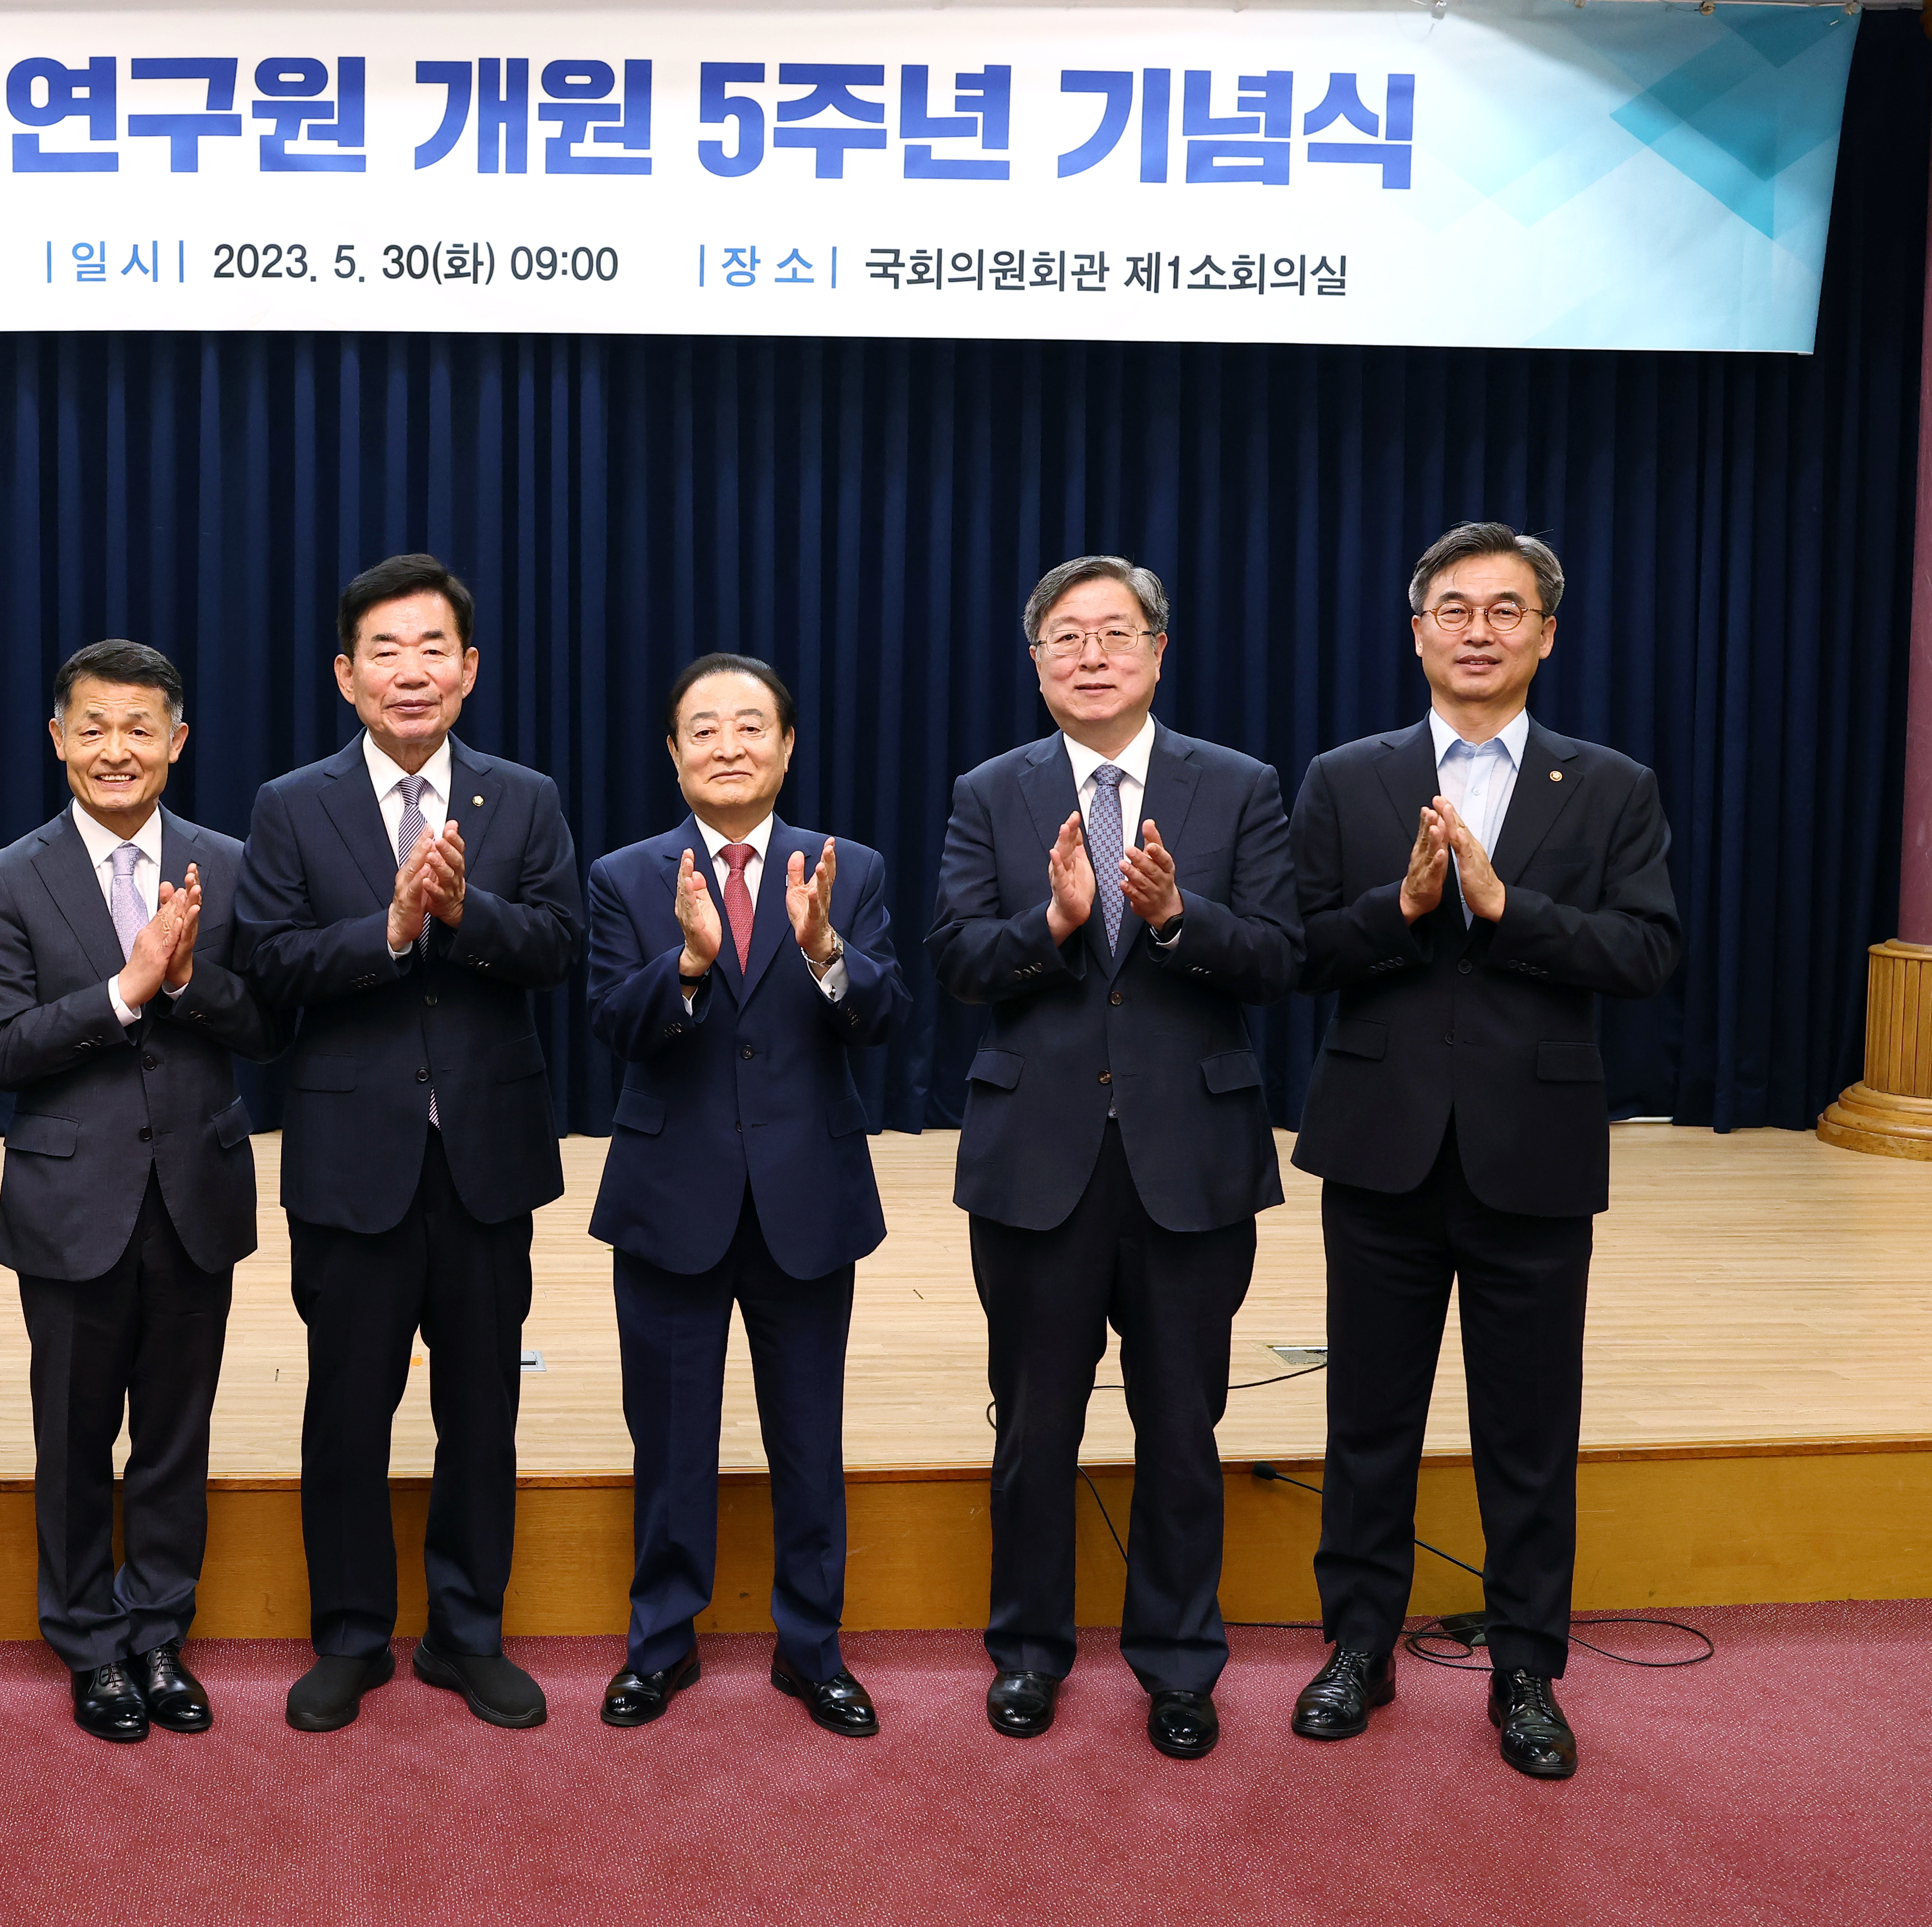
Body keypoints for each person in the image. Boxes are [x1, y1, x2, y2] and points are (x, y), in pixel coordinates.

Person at [1285, 523, 1680, 1781]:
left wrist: (1510, 911)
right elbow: (1296, 954)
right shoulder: (1346, 777)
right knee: (1368, 1423)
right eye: (1451, 607)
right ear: (1415, 632)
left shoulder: (1609, 784)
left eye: (1505, 609)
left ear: (1545, 635)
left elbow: (1647, 954)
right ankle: (1355, 1646)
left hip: (1533, 1152)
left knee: (1527, 1431)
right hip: (1381, 1150)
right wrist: (1398, 910)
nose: (1476, 628)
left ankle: (1524, 1669)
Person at [928, 554, 1298, 1762]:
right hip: (1037, 1160)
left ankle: (1179, 1661)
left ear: (1157, 651)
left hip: (1187, 1155)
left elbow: (1280, 960)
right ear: (1033, 662)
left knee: (1181, 1426)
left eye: (1114, 632)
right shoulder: (990, 791)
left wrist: (1178, 919)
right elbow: (955, 961)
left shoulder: (1236, 787)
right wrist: (1053, 926)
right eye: (1065, 637)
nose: (1091, 653)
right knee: (1034, 1424)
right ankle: (1027, 1651)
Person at [235, 552, 584, 1734]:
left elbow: (558, 946)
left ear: (470, 667)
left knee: (481, 1411)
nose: (410, 670)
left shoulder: (523, 797)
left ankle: (463, 1631)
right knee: (346, 1407)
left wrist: (459, 913)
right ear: (344, 674)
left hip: (483, 1153)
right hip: (349, 1159)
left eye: (433, 647)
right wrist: (386, 929)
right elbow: (269, 969)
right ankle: (347, 1633)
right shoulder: (291, 805)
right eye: (383, 649)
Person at [0, 639, 282, 1743]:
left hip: (197, 1188)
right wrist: (123, 989)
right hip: (69, 1203)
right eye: (91, 727)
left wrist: (189, 983)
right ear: (56, 739)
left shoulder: (231, 864)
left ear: (176, 742)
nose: (116, 749)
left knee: (174, 1433)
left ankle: (157, 1629)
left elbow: (267, 1025)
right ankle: (87, 1643)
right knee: (72, 1435)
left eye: (139, 728)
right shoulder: (5, 876)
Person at [583, 654, 905, 1736]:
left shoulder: (845, 867)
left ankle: (811, 1648)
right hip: (671, 1196)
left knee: (808, 1439)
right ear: (672, 752)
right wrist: (682, 965)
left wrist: (824, 953)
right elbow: (608, 1026)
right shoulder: (625, 875)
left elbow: (883, 1012)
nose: (728, 744)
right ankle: (659, 1645)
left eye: (750, 725)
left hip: (805, 1197)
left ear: (787, 745)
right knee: (668, 1437)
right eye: (703, 728)